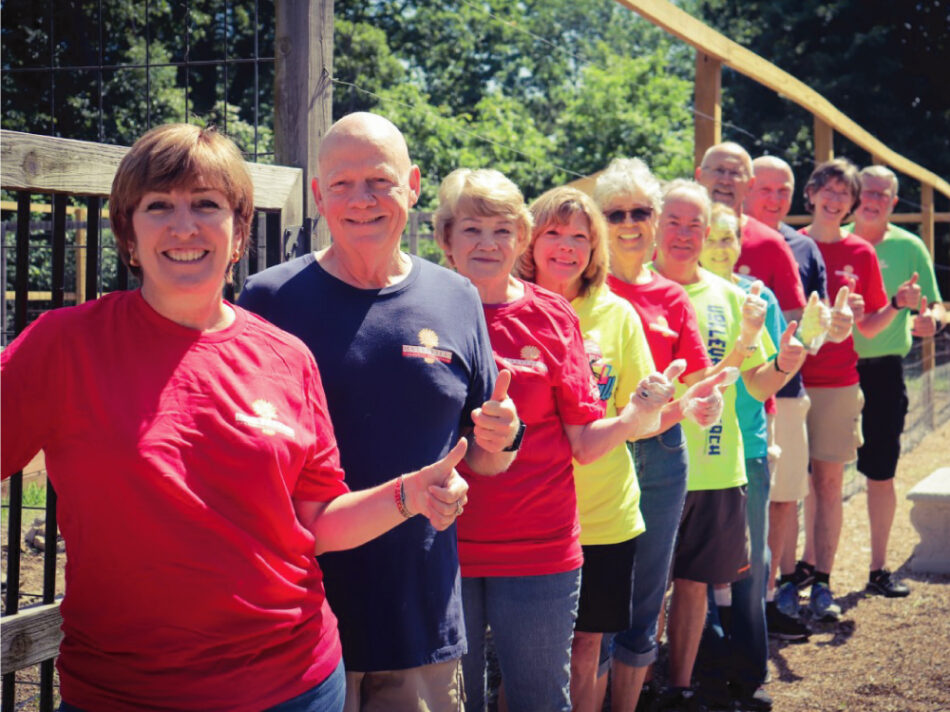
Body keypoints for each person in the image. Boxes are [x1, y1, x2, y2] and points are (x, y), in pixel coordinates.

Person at [0, 123, 471, 712]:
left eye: (206, 204)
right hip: (126, 693)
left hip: (295, 685)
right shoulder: (65, 345)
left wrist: (410, 494)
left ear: (239, 230)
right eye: (158, 207)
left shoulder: (286, 356)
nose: (184, 226)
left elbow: (317, 518)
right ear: (128, 230)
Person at [238, 113, 520, 712]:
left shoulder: (456, 297)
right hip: (298, 624)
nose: (361, 200)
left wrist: (502, 437)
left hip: (420, 623)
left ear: (413, 185)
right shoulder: (268, 300)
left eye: (380, 181)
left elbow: (486, 460)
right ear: (317, 196)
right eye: (341, 183)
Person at [433, 168, 693, 712]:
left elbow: (584, 440)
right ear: (445, 239)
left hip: (538, 548)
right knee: (455, 703)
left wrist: (634, 416)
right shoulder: (423, 309)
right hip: (442, 544)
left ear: (520, 237)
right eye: (472, 229)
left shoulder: (552, 317)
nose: (488, 243)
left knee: (539, 700)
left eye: (502, 229)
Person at [516, 186, 728, 712]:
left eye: (580, 237)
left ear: (595, 249)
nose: (567, 247)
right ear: (530, 240)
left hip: (603, 512)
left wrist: (683, 406)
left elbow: (641, 419)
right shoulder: (502, 304)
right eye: (554, 233)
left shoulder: (616, 315)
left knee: (587, 646)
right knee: (530, 658)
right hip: (525, 514)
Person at [652, 179, 803, 711]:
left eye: (697, 225)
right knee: (647, 591)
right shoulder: (634, 293)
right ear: (654, 225)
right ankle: (637, 682)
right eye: (675, 221)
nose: (686, 234)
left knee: (695, 586)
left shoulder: (733, 298)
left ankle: (682, 687)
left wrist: (785, 361)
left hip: (717, 470)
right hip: (648, 471)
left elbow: (756, 384)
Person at [591, 157, 712, 711]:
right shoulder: (584, 290)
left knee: (646, 592)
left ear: (657, 217)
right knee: (596, 593)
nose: (630, 222)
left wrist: (699, 404)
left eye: (641, 210)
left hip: (662, 451)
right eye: (616, 212)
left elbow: (696, 381)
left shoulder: (672, 297)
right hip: (601, 451)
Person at [797, 158, 919, 621]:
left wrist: (896, 305)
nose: (835, 199)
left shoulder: (862, 255)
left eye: (843, 194)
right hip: (788, 382)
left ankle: (829, 578)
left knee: (830, 482)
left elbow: (867, 328)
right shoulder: (793, 245)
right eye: (826, 190)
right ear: (809, 194)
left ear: (851, 204)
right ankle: (789, 578)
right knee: (791, 488)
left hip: (840, 380)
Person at [697, 203, 799, 709]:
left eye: (728, 238)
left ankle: (749, 671)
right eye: (709, 236)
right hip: (686, 455)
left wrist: (784, 361)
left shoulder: (758, 298)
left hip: (747, 450)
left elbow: (766, 384)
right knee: (692, 576)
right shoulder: (672, 292)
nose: (718, 246)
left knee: (750, 566)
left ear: (740, 245)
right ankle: (701, 671)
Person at [745, 155, 839, 637]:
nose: (776, 198)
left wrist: (833, 328)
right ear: (745, 187)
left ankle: (770, 597)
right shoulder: (712, 237)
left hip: (787, 389)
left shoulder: (804, 248)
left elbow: (817, 326)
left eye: (784, 190)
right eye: (767, 188)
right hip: (733, 394)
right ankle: (726, 611)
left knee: (782, 498)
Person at [846, 164, 946, 597]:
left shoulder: (909, 246)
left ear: (893, 201)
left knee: (880, 472)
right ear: (855, 194)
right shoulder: (835, 239)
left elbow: (939, 306)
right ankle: (811, 575)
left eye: (883, 195)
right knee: (822, 477)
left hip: (885, 370)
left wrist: (932, 322)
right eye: (867, 191)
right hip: (833, 370)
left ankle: (878, 568)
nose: (873, 199)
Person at [695, 142, 807, 319]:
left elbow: (792, 320)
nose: (725, 180)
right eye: (718, 170)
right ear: (699, 176)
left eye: (735, 173)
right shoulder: (674, 235)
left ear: (750, 184)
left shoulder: (771, 244)